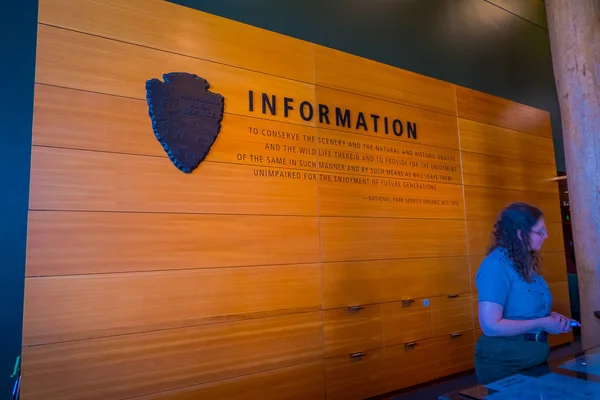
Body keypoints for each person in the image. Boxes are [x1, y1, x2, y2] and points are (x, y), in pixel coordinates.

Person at [474, 202, 574, 384]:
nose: (546, 236)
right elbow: (490, 325)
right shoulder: (496, 266)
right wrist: (543, 322)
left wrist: (549, 317)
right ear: (521, 234)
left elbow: (521, 311)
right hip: (505, 363)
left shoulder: (524, 263)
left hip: (534, 358)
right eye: (540, 231)